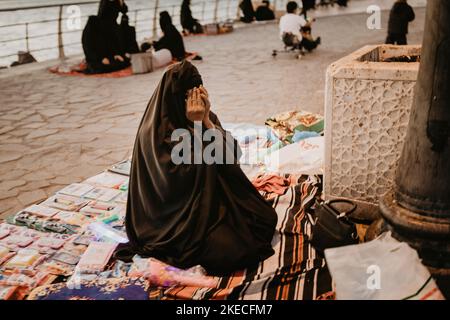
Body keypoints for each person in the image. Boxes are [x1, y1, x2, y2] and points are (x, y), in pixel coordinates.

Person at [114, 60, 277, 275]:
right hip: (174, 218)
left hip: (207, 201)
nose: (194, 102)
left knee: (264, 218)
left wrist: (206, 122)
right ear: (174, 96)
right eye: (188, 96)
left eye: (198, 93)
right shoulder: (155, 133)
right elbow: (178, 181)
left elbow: (232, 156)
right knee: (232, 251)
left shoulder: (200, 115)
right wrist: (198, 127)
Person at [81, 0, 130, 74]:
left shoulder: (118, 1)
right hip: (103, 27)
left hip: (112, 27)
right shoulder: (93, 24)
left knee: (123, 61)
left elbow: (124, 10)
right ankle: (101, 60)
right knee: (101, 67)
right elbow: (88, 45)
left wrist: (116, 55)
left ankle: (112, 58)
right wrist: (101, 58)